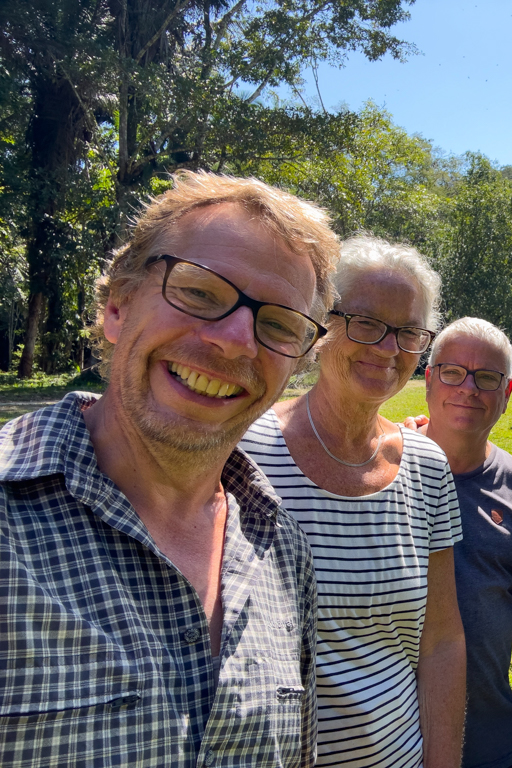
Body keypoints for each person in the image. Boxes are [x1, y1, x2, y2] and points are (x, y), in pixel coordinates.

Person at [0, 171, 338, 767]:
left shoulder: (281, 547)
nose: (236, 342)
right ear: (117, 305)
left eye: (280, 325)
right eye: (201, 292)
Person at [239, 235, 466, 768]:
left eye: (409, 332)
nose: (388, 349)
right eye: (365, 322)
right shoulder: (244, 448)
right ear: (322, 325)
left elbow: (440, 641)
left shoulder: (429, 467)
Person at [416, 318, 512, 768]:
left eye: (487, 378)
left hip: (489, 742)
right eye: (453, 372)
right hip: (386, 739)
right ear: (429, 380)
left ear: (508, 393)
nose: (468, 389)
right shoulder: (382, 470)